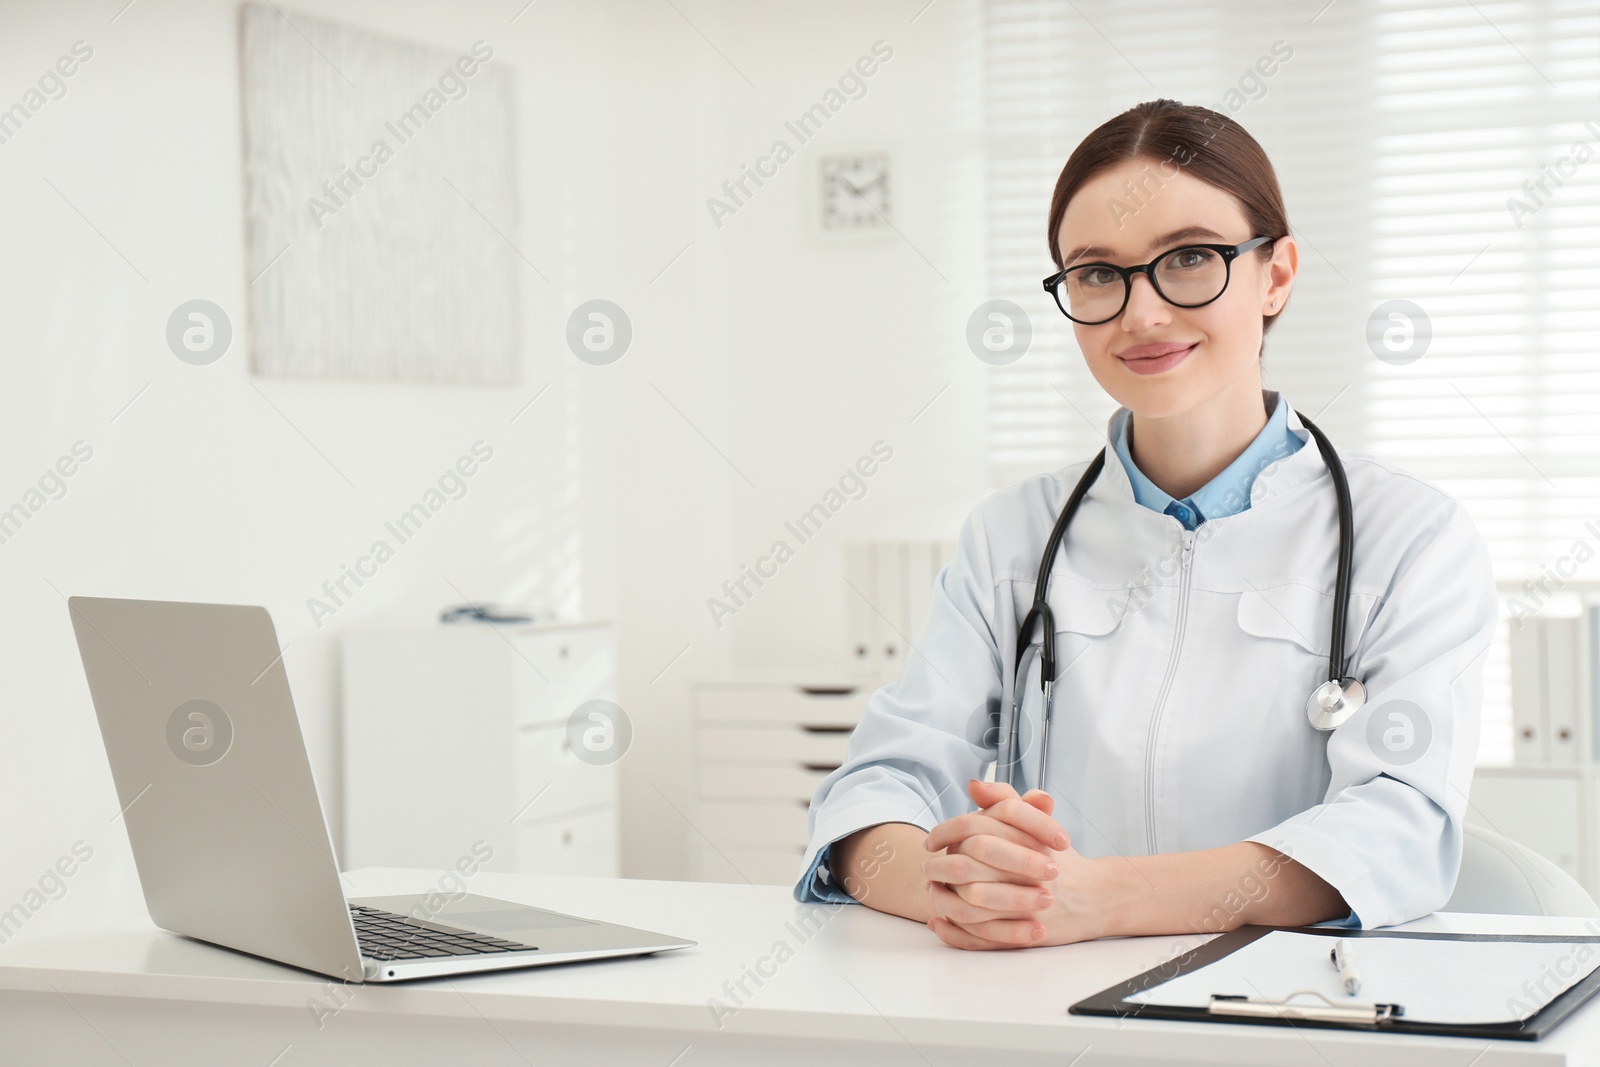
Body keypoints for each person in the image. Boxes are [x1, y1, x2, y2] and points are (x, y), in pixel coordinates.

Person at [793, 98, 1498, 950]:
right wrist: (951, 887)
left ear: (1276, 273)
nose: (1142, 314)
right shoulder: (1012, 536)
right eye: (1097, 273)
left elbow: (1401, 829)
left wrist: (1103, 898)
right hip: (1043, 1001)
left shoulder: (1409, 536)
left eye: (1191, 259)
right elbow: (873, 791)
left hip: (1293, 1009)